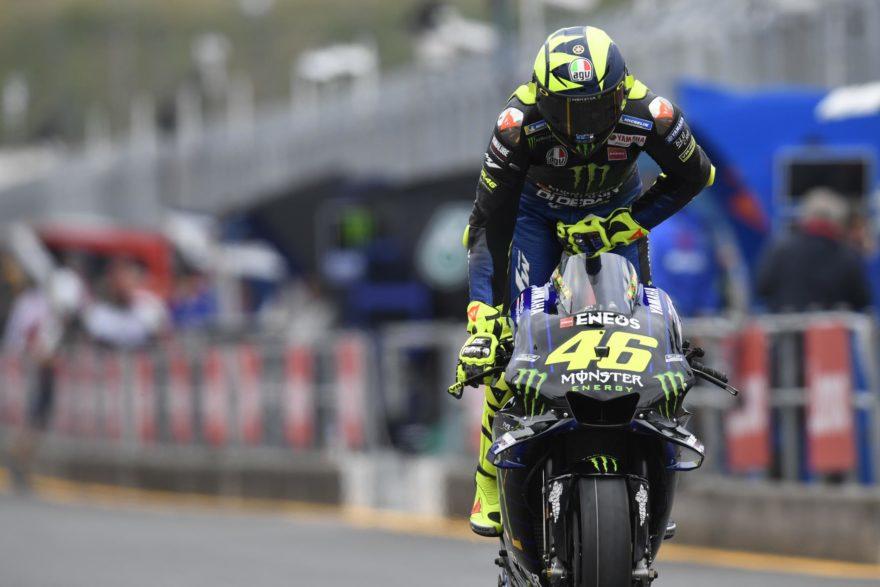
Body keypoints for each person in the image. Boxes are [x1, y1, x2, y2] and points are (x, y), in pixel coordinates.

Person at [451, 26, 715, 536]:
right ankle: (488, 479)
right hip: (536, 218)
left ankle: (651, 469)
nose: (583, 128)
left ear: (621, 91)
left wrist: (628, 222)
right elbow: (487, 224)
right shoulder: (516, 125)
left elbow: (697, 174)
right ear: (541, 98)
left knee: (643, 332)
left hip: (615, 214)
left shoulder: (651, 113)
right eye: (567, 111)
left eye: (594, 109)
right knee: (507, 339)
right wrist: (483, 316)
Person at [756, 187, 871, 312]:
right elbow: (862, 299)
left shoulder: (780, 249)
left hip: (785, 321)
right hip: (833, 323)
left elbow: (762, 288)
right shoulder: (847, 255)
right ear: (837, 221)